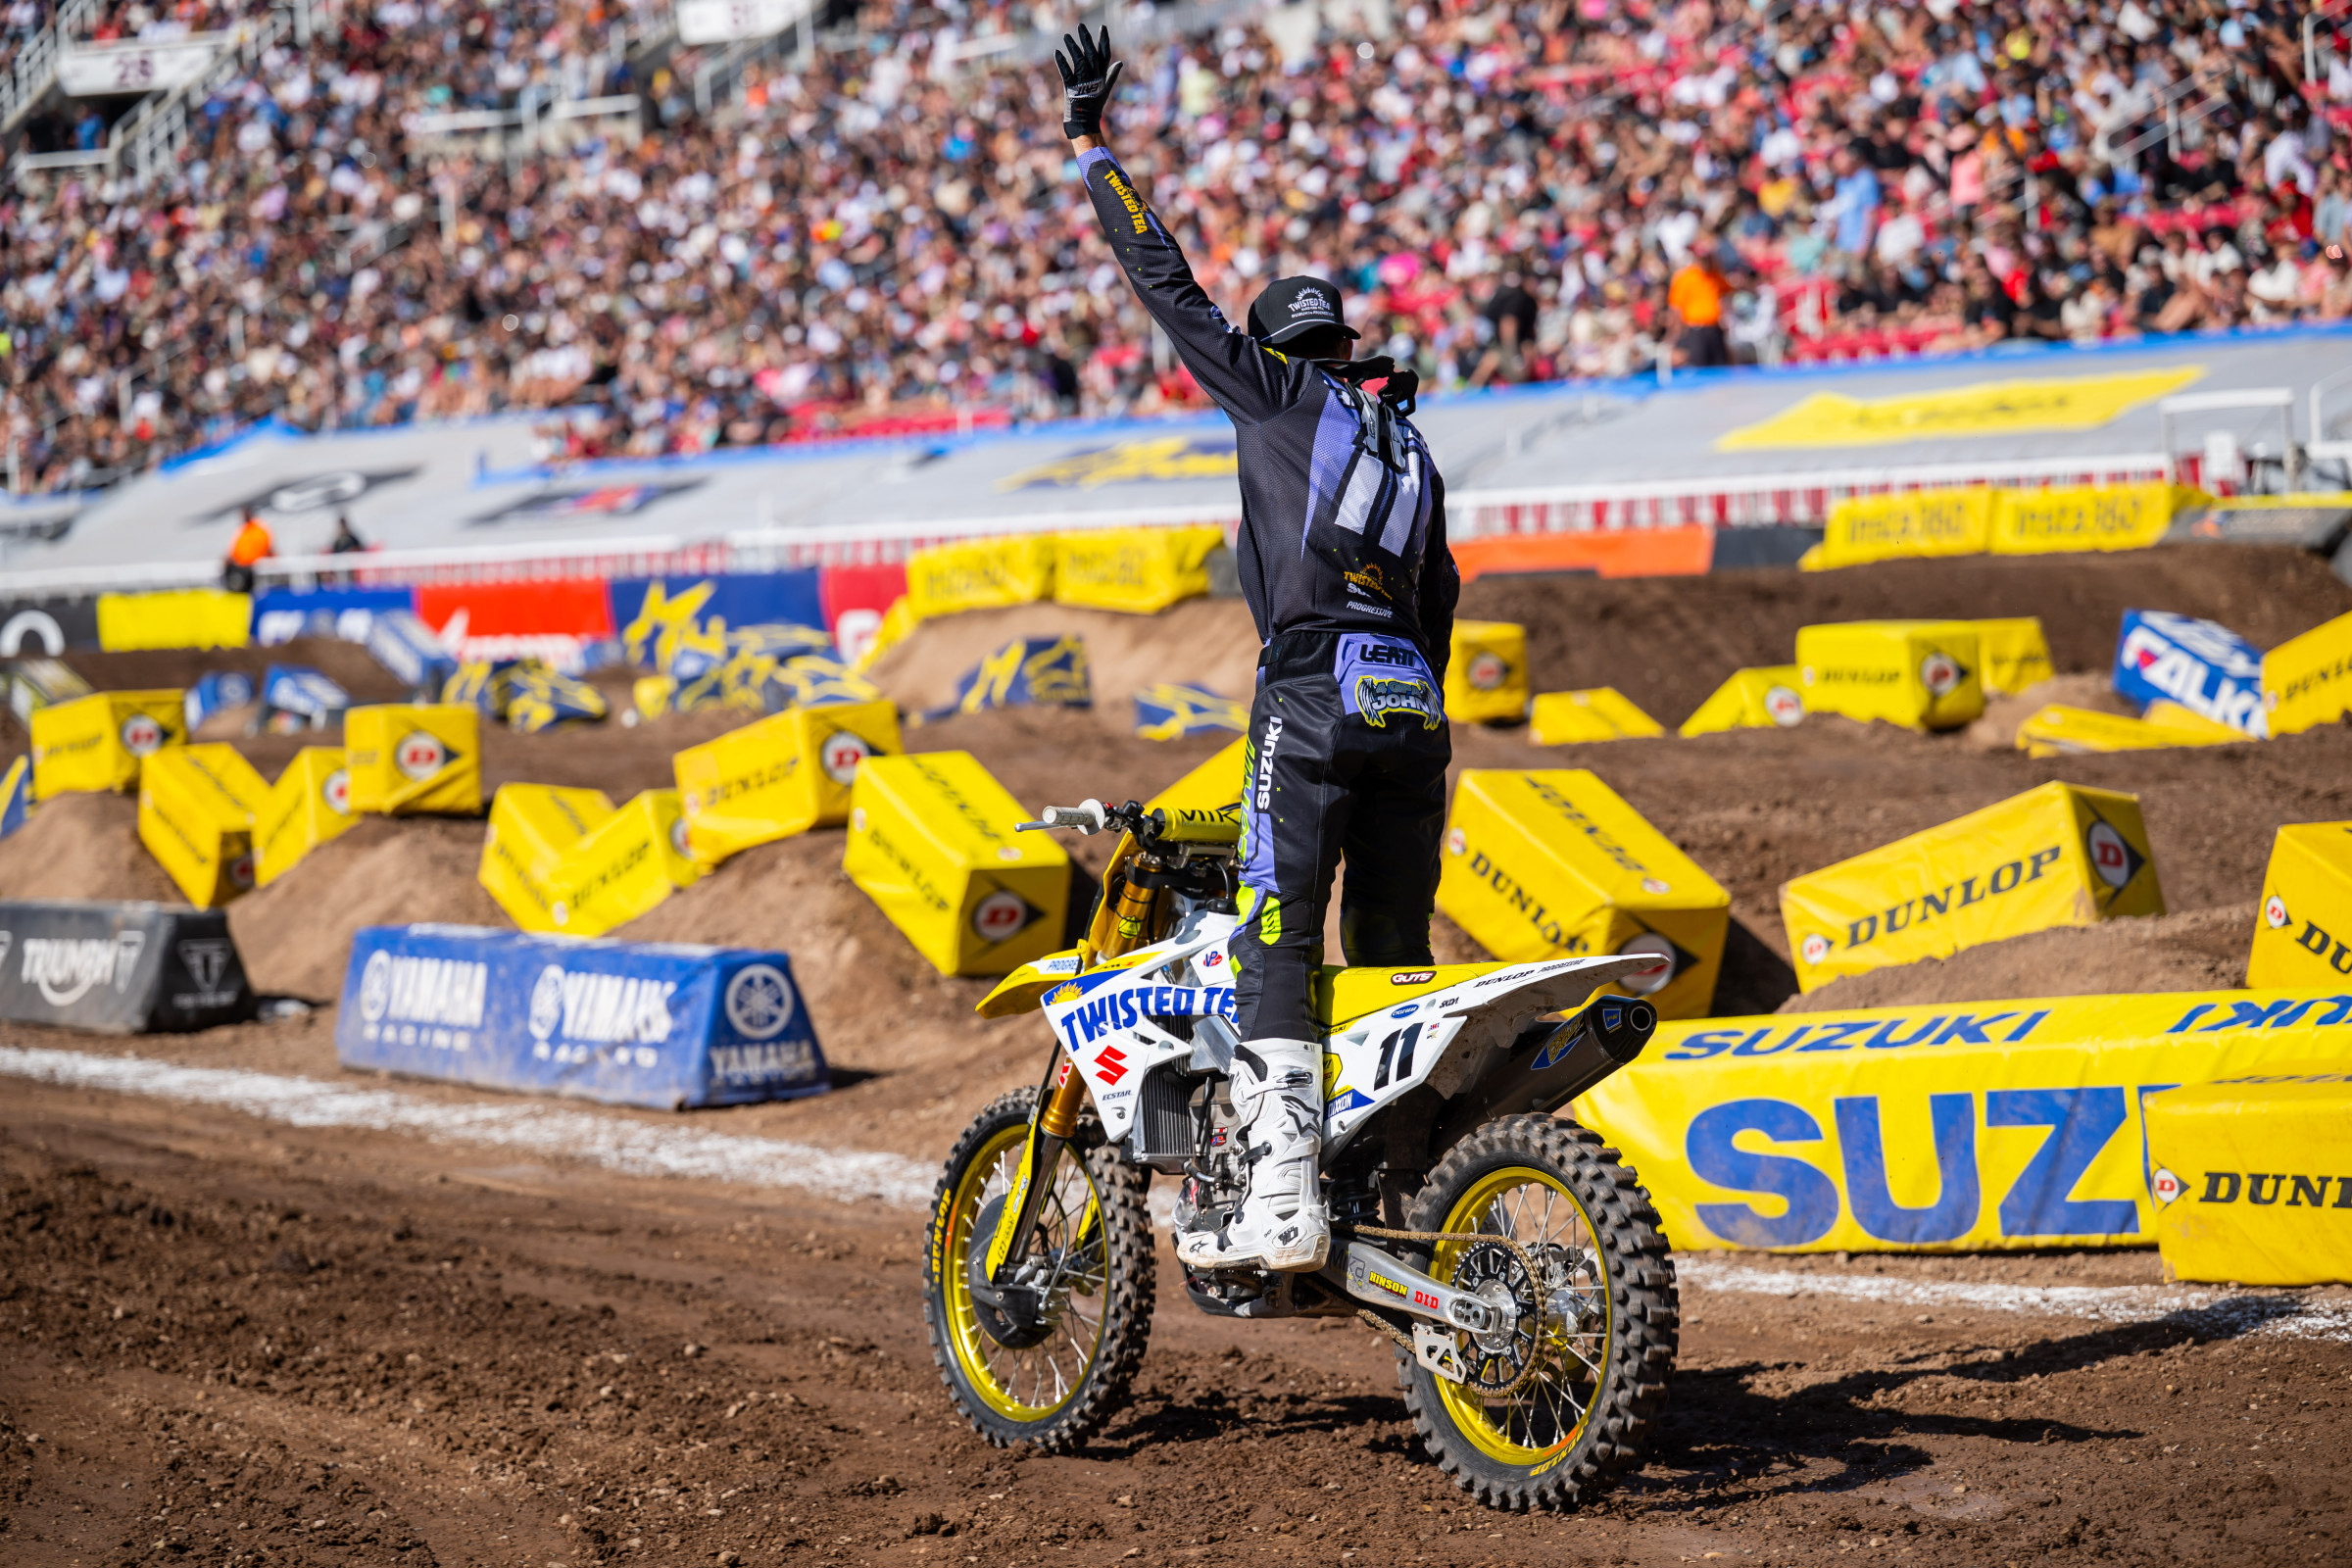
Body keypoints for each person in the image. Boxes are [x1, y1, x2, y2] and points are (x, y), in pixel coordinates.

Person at [1056, 24, 1458, 1275]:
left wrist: (1092, 150)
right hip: (1414, 707)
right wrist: (1411, 700)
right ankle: (1404, 1175)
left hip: (1313, 684)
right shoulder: (1410, 442)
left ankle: (1283, 1190)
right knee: (1392, 944)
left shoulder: (1279, 394)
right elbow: (1441, 589)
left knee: (1278, 928)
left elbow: (1165, 286)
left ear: (1280, 352)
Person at [1666, 242, 1731, 368]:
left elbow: (1728, 291)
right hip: (1696, 330)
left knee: (1720, 366)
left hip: (1715, 329)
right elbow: (1675, 307)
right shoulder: (1685, 278)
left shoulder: (1715, 276)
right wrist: (1675, 333)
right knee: (1701, 366)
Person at [223, 509, 273, 593]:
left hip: (252, 566)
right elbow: (237, 549)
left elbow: (264, 548)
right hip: (242, 565)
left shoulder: (258, 530)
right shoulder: (243, 530)